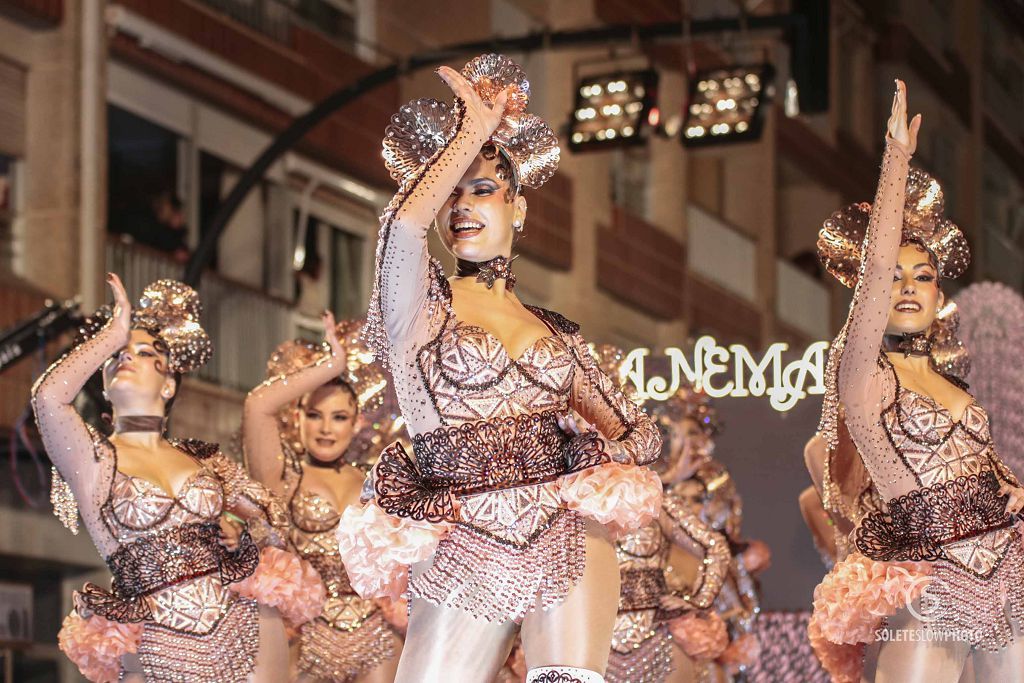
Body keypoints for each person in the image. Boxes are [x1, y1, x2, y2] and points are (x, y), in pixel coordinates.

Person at [341, 54, 663, 683]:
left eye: (483, 188)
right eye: (451, 192)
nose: (462, 205)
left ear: (519, 208)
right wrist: (468, 136)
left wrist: (596, 439)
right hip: (464, 538)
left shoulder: (557, 332)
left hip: (566, 529)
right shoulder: (419, 309)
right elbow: (401, 227)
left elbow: (639, 436)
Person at [813, 81, 1024, 682]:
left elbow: (986, 469)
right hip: (924, 577)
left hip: (1008, 574)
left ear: (939, 295)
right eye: (895, 276)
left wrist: (1015, 488)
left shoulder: (959, 389)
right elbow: (877, 267)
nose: (906, 284)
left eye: (923, 275)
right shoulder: (861, 373)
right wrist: (896, 162)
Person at [33, 276, 296, 682]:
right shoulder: (94, 460)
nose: (125, 357)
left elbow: (273, 519)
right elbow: (47, 397)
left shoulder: (204, 460)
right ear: (102, 383)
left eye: (142, 351)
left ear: (169, 382)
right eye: (116, 355)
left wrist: (243, 534)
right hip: (154, 641)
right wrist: (114, 332)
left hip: (246, 624)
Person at [244, 315, 403, 682]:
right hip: (306, 637)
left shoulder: (374, 483)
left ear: (357, 422)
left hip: (376, 634)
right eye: (314, 415)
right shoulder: (281, 479)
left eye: (339, 416)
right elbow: (258, 406)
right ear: (297, 418)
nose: (326, 428)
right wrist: (332, 366)